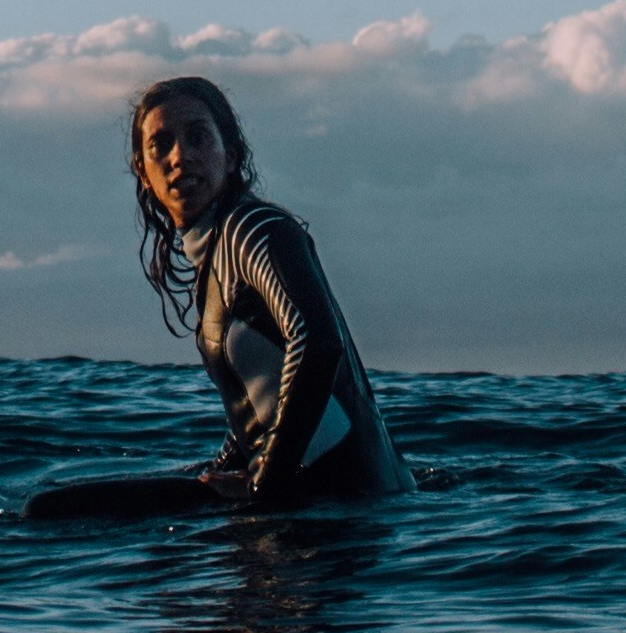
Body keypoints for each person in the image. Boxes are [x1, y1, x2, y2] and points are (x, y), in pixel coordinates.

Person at [25, 76, 409, 519]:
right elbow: (260, 401)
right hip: (326, 504)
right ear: (141, 171)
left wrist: (265, 482)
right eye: (160, 145)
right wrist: (221, 469)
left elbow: (317, 342)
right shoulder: (216, 257)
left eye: (198, 137)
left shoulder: (257, 231)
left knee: (47, 511)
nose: (179, 156)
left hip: (344, 511)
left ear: (232, 155)